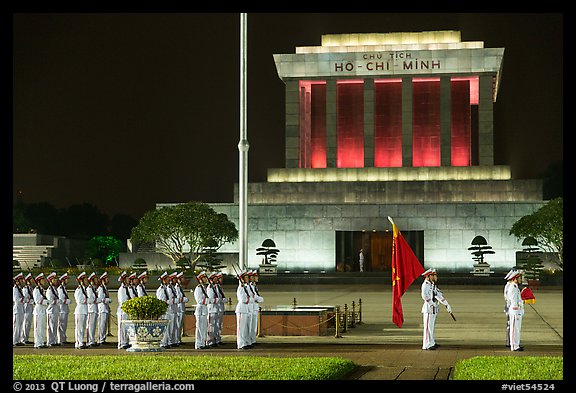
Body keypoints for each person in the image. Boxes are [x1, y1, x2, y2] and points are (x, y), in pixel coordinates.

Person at [420, 268, 452, 350]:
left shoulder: (432, 284)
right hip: (428, 309)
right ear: (428, 276)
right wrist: (432, 303)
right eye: (433, 275)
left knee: (431, 327)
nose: (435, 276)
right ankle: (426, 345)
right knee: (427, 327)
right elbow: (424, 296)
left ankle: (432, 342)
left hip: (434, 309)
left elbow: (438, 295)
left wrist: (447, 304)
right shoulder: (425, 285)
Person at [156, 271, 176, 349]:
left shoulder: (165, 288)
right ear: (163, 280)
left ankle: (166, 342)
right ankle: (163, 343)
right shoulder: (161, 289)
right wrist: (171, 301)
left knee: (168, 328)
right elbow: (162, 301)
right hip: (164, 311)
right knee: (164, 328)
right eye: (167, 279)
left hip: (168, 310)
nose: (169, 280)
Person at [506, 270, 524, 351]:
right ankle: (514, 346)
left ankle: (516, 344)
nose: (520, 279)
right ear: (514, 279)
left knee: (517, 329)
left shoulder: (515, 287)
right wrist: (516, 309)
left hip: (517, 310)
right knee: (514, 329)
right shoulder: (513, 288)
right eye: (519, 278)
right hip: (515, 311)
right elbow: (512, 300)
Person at [193, 271, 211, 350]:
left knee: (204, 328)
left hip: (204, 310)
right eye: (204, 278)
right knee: (199, 328)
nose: (205, 279)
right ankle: (198, 344)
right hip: (200, 310)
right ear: (200, 279)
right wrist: (208, 301)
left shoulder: (203, 288)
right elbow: (200, 300)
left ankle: (203, 343)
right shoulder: (198, 289)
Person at [235, 270, 252, 350]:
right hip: (242, 308)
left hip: (246, 309)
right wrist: (251, 300)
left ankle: (245, 342)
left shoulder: (246, 287)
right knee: (241, 328)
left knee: (245, 328)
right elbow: (243, 299)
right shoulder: (240, 288)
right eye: (245, 277)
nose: (247, 279)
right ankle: (240, 344)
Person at [32, 272, 50, 348]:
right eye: (43, 280)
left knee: (42, 327)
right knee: (38, 328)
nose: (44, 281)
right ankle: (37, 343)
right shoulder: (36, 290)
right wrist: (47, 302)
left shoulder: (42, 289)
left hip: (42, 311)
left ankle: (41, 342)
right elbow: (38, 301)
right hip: (38, 311)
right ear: (39, 281)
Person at [248, 270, 264, 346]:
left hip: (254, 308)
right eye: (255, 276)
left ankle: (252, 340)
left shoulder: (253, 286)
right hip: (250, 308)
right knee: (249, 327)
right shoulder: (249, 287)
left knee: (253, 326)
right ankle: (247, 341)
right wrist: (258, 298)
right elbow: (252, 297)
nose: (257, 278)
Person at [73, 271, 89, 349]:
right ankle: (78, 343)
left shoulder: (84, 289)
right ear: (82, 280)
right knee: (79, 328)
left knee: (82, 328)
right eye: (85, 279)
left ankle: (81, 341)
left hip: (84, 310)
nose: (87, 280)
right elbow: (79, 300)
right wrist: (87, 300)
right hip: (80, 310)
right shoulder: (79, 289)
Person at [45, 272, 61, 346]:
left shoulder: (55, 289)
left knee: (54, 326)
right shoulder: (49, 290)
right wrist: (58, 301)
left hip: (56, 310)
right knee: (50, 326)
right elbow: (50, 301)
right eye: (54, 280)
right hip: (51, 310)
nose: (56, 281)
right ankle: (50, 341)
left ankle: (54, 341)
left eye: (56, 280)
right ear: (50, 281)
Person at [117, 271, 132, 349]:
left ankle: (125, 342)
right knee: (122, 328)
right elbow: (123, 301)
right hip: (122, 311)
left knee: (126, 328)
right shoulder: (122, 289)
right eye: (127, 279)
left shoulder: (127, 288)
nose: (128, 280)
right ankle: (121, 343)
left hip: (127, 311)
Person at [173, 271, 189, 346]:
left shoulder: (179, 287)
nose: (184, 279)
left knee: (180, 325)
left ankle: (178, 339)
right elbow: (177, 297)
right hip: (178, 308)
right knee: (177, 325)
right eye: (182, 278)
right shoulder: (176, 287)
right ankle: (176, 340)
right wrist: (183, 299)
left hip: (181, 308)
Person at [97, 271, 112, 345]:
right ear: (103, 280)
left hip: (105, 308)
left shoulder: (105, 288)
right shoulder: (100, 288)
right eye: (107, 279)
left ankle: (103, 338)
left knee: (104, 325)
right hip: (101, 308)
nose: (108, 280)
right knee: (101, 325)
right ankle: (100, 339)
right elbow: (100, 299)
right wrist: (107, 300)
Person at [503, 269, 517, 348]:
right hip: (511, 308)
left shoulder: (510, 285)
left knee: (511, 325)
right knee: (511, 325)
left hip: (510, 307)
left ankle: (511, 341)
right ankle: (511, 342)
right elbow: (508, 298)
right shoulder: (510, 285)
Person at [214, 272, 228, 346]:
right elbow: (216, 298)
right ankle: (214, 339)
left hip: (220, 308)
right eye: (220, 278)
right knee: (215, 325)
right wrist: (222, 300)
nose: (221, 280)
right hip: (216, 308)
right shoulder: (213, 288)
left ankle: (218, 339)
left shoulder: (219, 287)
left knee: (219, 325)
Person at [57, 273, 71, 345]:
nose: (68, 280)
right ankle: (60, 340)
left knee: (64, 325)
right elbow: (61, 299)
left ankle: (63, 338)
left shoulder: (64, 288)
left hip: (65, 309)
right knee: (61, 325)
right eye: (66, 279)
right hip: (61, 309)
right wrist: (66, 301)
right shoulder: (60, 289)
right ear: (63, 280)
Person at [206, 272, 220, 347]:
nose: (216, 279)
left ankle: (213, 340)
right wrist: (217, 300)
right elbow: (211, 299)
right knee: (210, 326)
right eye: (214, 278)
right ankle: (209, 341)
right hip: (211, 309)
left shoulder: (215, 287)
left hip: (216, 309)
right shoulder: (210, 288)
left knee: (214, 326)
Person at [22, 273, 35, 345]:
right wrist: (33, 301)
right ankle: (23, 339)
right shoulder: (25, 289)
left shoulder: (31, 288)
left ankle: (26, 338)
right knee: (26, 323)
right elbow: (25, 299)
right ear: (27, 281)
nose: (33, 280)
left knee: (28, 323)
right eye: (31, 279)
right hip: (26, 307)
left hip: (30, 307)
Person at [13, 273, 26, 346]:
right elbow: (16, 299)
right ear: (17, 281)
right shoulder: (15, 288)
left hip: (21, 309)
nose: (22, 281)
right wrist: (24, 300)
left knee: (20, 325)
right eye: (21, 279)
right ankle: (14, 341)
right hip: (17, 309)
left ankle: (18, 340)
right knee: (16, 325)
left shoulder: (19, 288)